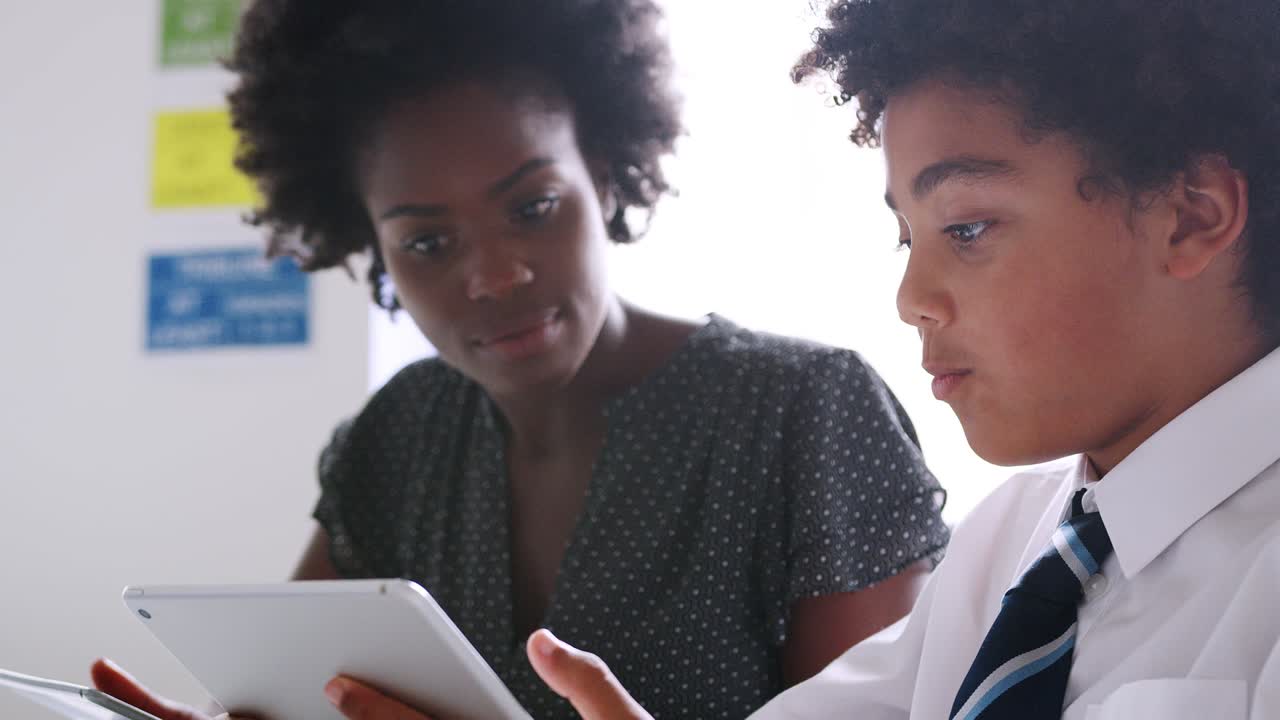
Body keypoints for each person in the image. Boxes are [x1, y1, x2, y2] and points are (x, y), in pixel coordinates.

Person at [90, 1, 950, 719]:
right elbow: (298, 694)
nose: (495, 275)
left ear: (604, 177)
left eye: (534, 206)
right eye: (426, 240)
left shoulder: (805, 415)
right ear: (371, 246)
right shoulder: (398, 438)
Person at [467, 0, 1280, 718]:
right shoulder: (1005, 548)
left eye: (966, 228)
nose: (912, 296)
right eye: (907, 235)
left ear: (1187, 216)